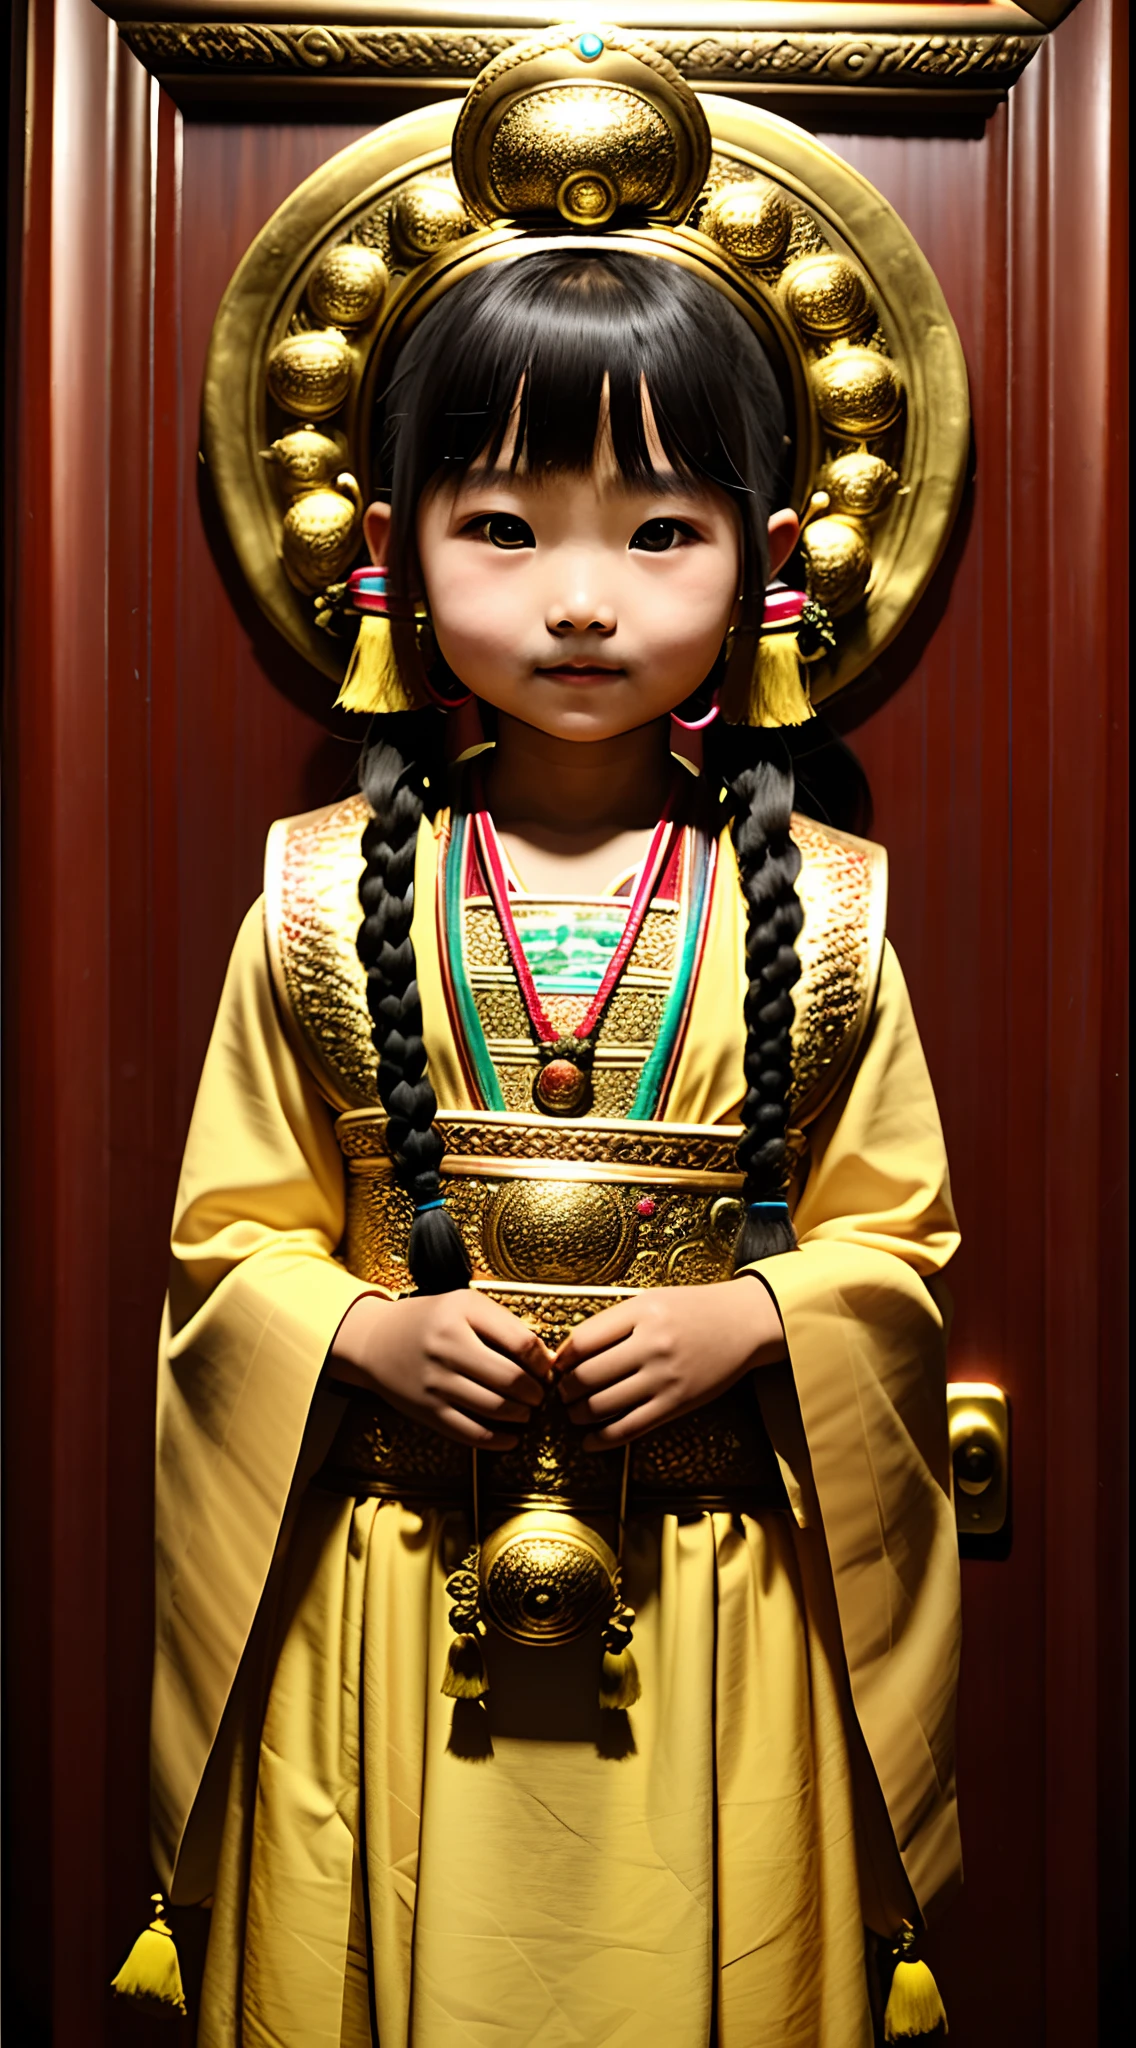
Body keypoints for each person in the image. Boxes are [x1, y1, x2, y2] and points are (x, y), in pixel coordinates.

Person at [142, 141, 962, 2048]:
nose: (581, 601)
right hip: (391, 1578)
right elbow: (221, 1248)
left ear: (771, 554)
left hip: (712, 1591)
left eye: (660, 534)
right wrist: (355, 1332)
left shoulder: (829, 915)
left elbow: (897, 1252)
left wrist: (760, 1310)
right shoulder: (313, 899)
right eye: (503, 528)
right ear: (386, 548)